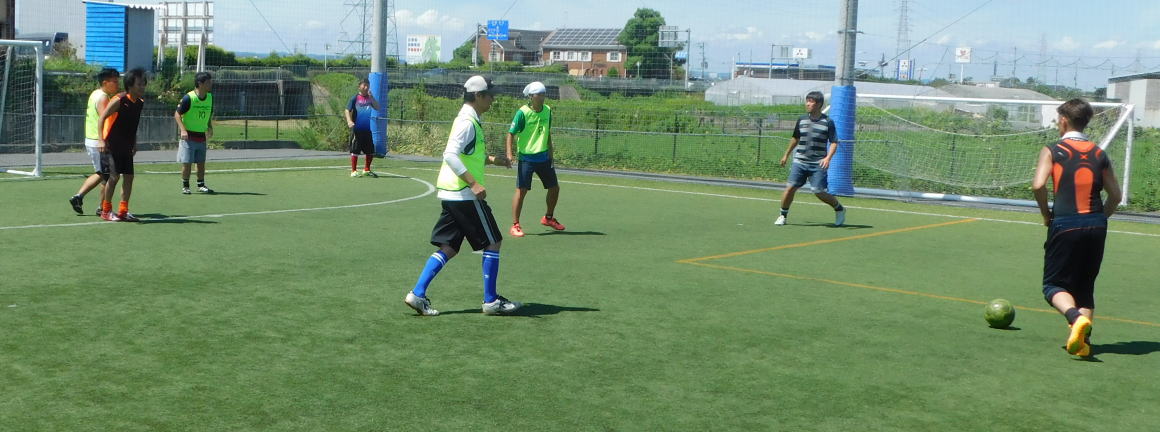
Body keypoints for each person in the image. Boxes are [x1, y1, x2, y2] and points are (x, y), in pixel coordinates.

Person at [404, 75, 521, 316]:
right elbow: (450, 154)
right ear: (478, 96)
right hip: (464, 194)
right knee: (493, 242)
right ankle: (491, 301)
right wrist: (474, 184)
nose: (492, 100)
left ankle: (417, 294)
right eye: (490, 95)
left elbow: (469, 155)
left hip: (452, 194)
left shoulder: (470, 120)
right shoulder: (467, 123)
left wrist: (494, 160)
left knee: (449, 247)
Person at [1031, 98, 1121, 357]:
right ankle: (1083, 343)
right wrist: (1100, 218)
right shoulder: (1099, 153)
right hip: (1096, 225)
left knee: (1052, 286)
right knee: (1084, 287)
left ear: (1063, 120)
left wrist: (1046, 214)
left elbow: (1038, 185)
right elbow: (1116, 196)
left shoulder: (1053, 149)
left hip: (1065, 223)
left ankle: (1075, 318)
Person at [775, 91, 847, 227]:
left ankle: (839, 209)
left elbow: (834, 142)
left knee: (819, 191)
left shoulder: (828, 122)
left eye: (811, 101)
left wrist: (828, 158)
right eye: (807, 101)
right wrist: (786, 155)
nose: (808, 104)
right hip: (800, 161)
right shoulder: (801, 120)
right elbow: (795, 138)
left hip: (818, 163)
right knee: (790, 187)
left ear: (819, 104)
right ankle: (782, 215)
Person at [505, 81, 565, 237]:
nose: (542, 97)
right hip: (526, 158)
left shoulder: (548, 110)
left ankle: (548, 218)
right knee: (522, 191)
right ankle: (515, 225)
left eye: (544, 94)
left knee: (554, 188)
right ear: (531, 96)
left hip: (544, 157)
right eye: (539, 94)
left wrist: (551, 154)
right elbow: (511, 134)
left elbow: (547, 133)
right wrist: (509, 154)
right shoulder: (522, 113)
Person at [97, 68, 148, 222]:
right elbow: (102, 118)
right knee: (114, 177)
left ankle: (123, 211)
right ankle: (106, 210)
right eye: (139, 84)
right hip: (112, 145)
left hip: (126, 145)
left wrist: (134, 143)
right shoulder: (119, 100)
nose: (142, 87)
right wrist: (101, 140)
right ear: (130, 85)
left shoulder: (140, 103)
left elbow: (133, 125)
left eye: (144, 84)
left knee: (129, 177)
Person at [68, 68, 119, 216]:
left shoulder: (95, 93)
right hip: (98, 141)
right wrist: (105, 139)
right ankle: (93, 203)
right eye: (114, 81)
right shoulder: (103, 97)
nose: (117, 84)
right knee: (106, 174)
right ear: (105, 82)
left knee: (103, 174)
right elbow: (105, 119)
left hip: (93, 139)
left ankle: (89, 201)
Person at [174, 71, 215, 194]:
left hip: (201, 136)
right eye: (208, 82)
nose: (211, 84)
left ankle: (201, 185)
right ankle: (185, 186)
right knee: (187, 163)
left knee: (201, 163)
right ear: (200, 84)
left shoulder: (210, 97)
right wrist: (183, 130)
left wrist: (209, 126)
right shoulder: (189, 98)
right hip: (188, 137)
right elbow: (177, 114)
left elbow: (208, 114)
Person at [345, 78, 381, 177]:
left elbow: (377, 107)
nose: (366, 87)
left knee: (370, 150)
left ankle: (366, 170)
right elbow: (347, 110)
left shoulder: (370, 98)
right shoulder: (355, 98)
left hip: (367, 129)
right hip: (357, 129)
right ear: (359, 86)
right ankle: (353, 171)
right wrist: (349, 121)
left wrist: (372, 97)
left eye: (367, 85)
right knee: (355, 150)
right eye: (364, 85)